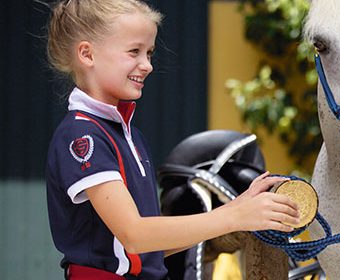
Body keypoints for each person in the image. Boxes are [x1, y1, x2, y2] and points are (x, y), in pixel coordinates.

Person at [44, 1, 300, 279]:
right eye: (134, 52)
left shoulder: (127, 133)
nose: (147, 65)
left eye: (150, 53)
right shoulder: (83, 136)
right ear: (87, 54)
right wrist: (235, 216)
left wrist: (236, 213)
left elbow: (147, 249)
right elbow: (134, 235)